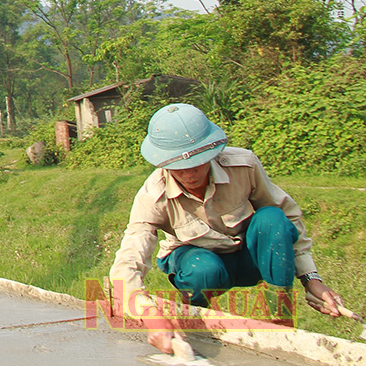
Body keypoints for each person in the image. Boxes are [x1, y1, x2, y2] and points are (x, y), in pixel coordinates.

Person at [110, 103, 347, 355]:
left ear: (212, 153)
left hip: (246, 256)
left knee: (272, 219)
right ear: (164, 163)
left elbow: (287, 216)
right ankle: (192, 323)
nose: (190, 174)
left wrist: (311, 280)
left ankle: (280, 326)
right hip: (196, 262)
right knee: (204, 269)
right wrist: (149, 314)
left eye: (198, 164)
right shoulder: (152, 195)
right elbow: (129, 260)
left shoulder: (243, 166)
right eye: (180, 168)